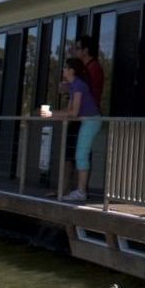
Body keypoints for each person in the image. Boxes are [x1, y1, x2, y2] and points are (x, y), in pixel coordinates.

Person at [59, 57, 101, 202]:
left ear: (72, 71)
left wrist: (51, 114)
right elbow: (69, 111)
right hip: (87, 121)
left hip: (91, 121)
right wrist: (52, 114)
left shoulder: (78, 85)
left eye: (65, 68)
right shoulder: (73, 85)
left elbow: (74, 112)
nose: (63, 70)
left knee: (81, 155)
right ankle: (80, 190)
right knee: (80, 155)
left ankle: (81, 191)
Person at [70, 34, 105, 113]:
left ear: (85, 50)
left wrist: (69, 86)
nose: (75, 51)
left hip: (89, 115)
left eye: (78, 48)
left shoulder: (94, 68)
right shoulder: (85, 68)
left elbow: (84, 89)